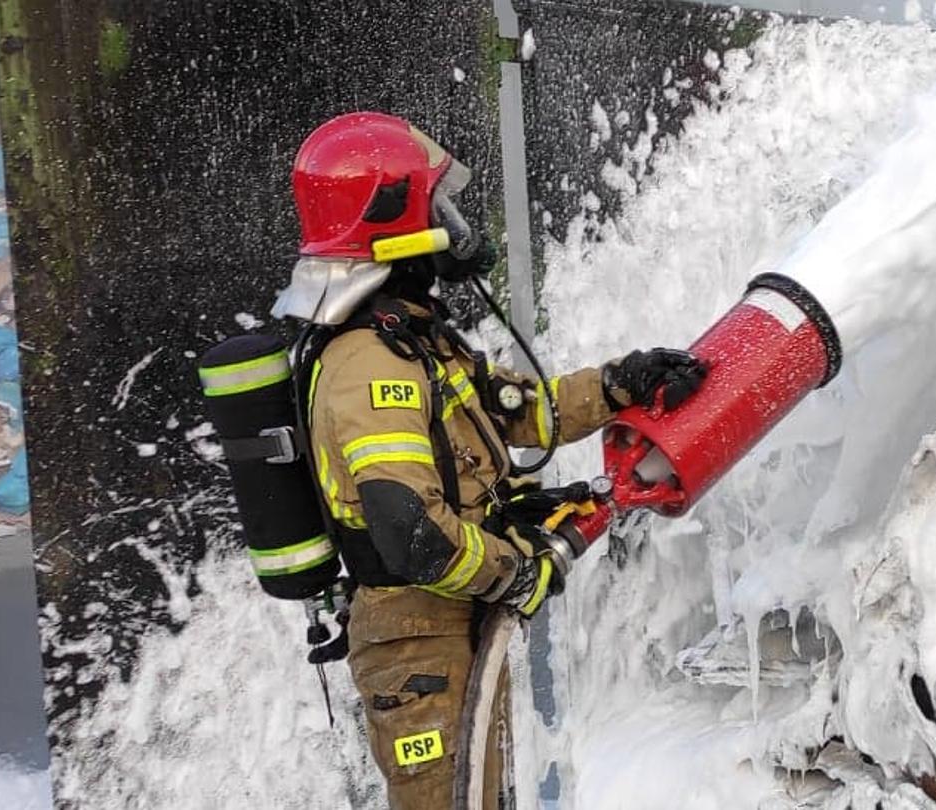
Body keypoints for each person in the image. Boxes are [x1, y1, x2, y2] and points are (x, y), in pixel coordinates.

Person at [271, 111, 705, 808]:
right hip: (417, 644)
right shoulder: (365, 364)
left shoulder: (414, 342)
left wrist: (622, 381)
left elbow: (524, 415)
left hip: (451, 629)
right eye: (437, 202)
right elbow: (412, 534)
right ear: (393, 216)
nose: (455, 221)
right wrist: (517, 571)